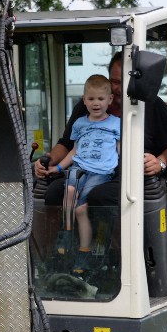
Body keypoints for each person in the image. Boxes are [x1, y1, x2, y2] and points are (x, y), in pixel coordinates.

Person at [34, 51, 167, 207]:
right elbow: (67, 144)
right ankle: (65, 231)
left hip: (130, 177)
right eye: (114, 82)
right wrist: (49, 160)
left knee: (99, 196)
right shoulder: (87, 107)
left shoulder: (153, 106)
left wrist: (160, 162)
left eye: (125, 81)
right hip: (85, 168)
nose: (119, 88)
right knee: (54, 193)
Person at [54, 75, 121, 272]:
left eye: (101, 99)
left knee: (81, 209)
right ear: (84, 100)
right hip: (80, 166)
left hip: (101, 171)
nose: (96, 103)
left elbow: (120, 149)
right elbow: (74, 151)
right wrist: (57, 168)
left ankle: (84, 250)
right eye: (91, 99)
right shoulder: (79, 124)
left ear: (109, 100)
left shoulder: (116, 123)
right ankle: (66, 234)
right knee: (69, 189)